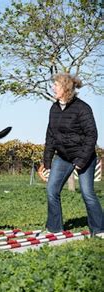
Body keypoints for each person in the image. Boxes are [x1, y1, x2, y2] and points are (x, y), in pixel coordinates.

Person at [43, 72, 103, 237]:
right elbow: (50, 136)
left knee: (87, 193)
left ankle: (99, 230)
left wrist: (82, 160)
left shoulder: (82, 108)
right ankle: (54, 228)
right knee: (51, 191)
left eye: (56, 85)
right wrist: (47, 163)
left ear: (66, 88)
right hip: (63, 157)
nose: (53, 87)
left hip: (84, 156)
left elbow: (92, 135)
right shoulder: (54, 108)